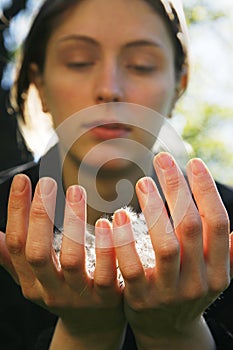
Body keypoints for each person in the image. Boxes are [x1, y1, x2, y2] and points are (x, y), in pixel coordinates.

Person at [0, 0, 233, 349]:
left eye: (141, 65)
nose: (110, 88)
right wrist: (83, 333)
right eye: (79, 62)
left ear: (179, 84)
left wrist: (177, 332)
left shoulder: (227, 226)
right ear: (40, 84)